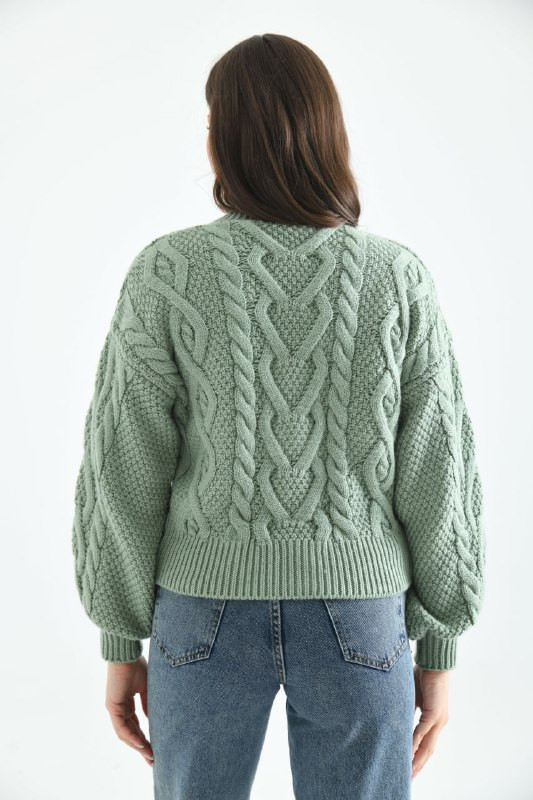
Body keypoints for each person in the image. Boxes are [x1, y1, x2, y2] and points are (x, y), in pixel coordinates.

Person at [71, 33, 486, 800]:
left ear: (221, 139)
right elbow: (438, 471)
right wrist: (437, 650)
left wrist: (120, 641)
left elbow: (124, 466)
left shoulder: (166, 272)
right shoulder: (395, 278)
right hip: (359, 612)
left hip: (201, 610)